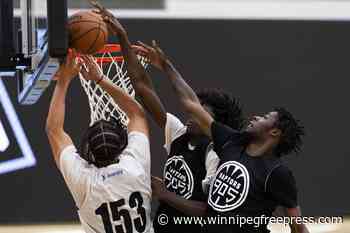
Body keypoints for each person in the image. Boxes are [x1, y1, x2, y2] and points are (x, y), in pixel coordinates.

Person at [93, 6, 244, 233]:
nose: (192, 114)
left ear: (214, 123)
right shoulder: (178, 133)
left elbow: (210, 211)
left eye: (202, 112)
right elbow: (142, 88)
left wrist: (165, 194)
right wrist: (122, 36)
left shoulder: (215, 154)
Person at [137, 42, 310, 233]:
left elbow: (297, 226)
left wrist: (165, 195)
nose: (257, 117)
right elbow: (190, 103)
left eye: (265, 117)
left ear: (275, 132)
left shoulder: (277, 172)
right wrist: (166, 66)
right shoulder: (231, 142)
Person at [45, 49, 153, 233]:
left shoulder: (85, 182)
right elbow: (137, 115)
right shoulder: (135, 167)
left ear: (88, 151)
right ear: (122, 144)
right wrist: (100, 78)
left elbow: (54, 130)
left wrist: (64, 80)